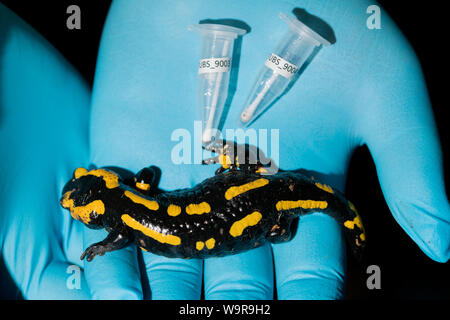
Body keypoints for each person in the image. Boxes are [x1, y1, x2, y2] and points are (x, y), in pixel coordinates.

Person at [1, 0, 448, 300]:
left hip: (250, 201)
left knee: (282, 218)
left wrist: (102, 246)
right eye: (85, 192)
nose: (79, 191)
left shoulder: (124, 215)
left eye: (84, 189)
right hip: (243, 192)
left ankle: (317, 215)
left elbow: (123, 225)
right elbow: (145, 182)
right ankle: (317, 212)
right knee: (271, 202)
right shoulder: (131, 194)